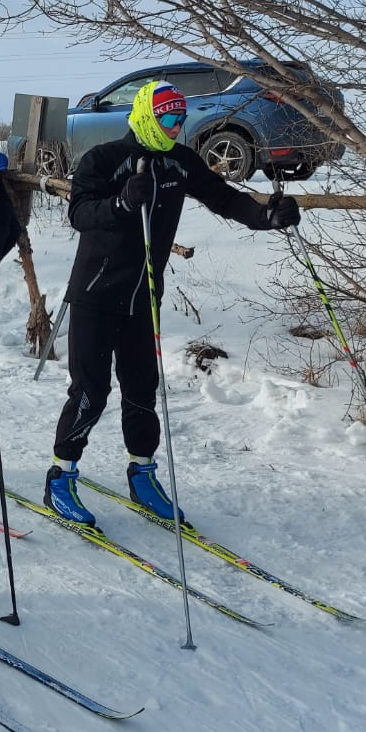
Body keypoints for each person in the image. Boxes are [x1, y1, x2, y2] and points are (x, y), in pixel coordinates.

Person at [44, 80, 300, 527]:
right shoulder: (104, 159)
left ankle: (142, 473)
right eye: (167, 116)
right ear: (146, 114)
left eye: (180, 117)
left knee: (142, 389)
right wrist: (122, 202)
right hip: (95, 295)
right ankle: (60, 477)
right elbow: (80, 212)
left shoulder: (181, 162)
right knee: (90, 391)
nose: (175, 124)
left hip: (143, 297)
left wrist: (266, 216)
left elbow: (223, 198)